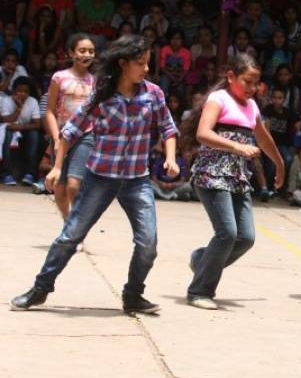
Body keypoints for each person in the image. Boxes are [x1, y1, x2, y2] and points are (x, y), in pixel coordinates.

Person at [10, 35, 180, 314]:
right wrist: (56, 167)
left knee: (148, 243)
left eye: (148, 64)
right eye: (141, 64)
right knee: (70, 236)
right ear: (123, 64)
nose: (146, 69)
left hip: (137, 180)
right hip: (101, 177)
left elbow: (169, 129)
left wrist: (171, 158)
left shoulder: (154, 94)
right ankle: (39, 290)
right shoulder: (101, 96)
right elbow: (69, 133)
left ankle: (133, 295)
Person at [182, 54, 284, 310]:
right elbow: (203, 134)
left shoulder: (252, 107)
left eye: (255, 83)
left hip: (237, 177)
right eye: (246, 81)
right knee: (227, 233)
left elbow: (263, 138)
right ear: (230, 76)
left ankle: (201, 259)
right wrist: (237, 147)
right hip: (212, 173)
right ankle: (199, 291)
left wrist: (280, 164)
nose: (251, 88)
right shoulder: (218, 99)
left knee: (246, 237)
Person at [45, 33, 96, 223]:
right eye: (82, 50)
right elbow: (49, 111)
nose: (87, 55)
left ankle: (76, 228)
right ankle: (68, 221)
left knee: (74, 185)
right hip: (60, 133)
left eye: (91, 51)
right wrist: (56, 139)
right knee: (60, 186)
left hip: (85, 135)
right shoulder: (59, 77)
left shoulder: (95, 81)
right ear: (71, 53)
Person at [0, 76, 42, 185]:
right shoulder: (6, 100)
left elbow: (37, 124)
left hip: (24, 130)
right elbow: (6, 120)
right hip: (10, 130)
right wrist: (18, 109)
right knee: (7, 134)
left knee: (34, 135)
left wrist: (20, 127)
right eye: (19, 90)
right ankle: (6, 174)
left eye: (25, 91)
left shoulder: (32, 101)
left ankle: (30, 174)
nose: (22, 94)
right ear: (13, 90)